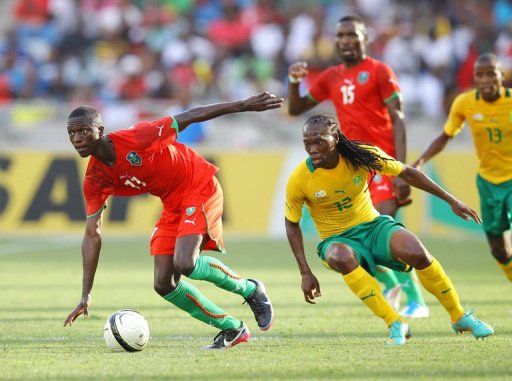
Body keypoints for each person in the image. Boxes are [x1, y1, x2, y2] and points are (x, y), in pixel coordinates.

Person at [63, 92, 283, 350]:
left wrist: (244, 105)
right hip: (172, 203)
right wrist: (86, 294)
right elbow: (92, 234)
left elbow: (189, 116)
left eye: (83, 131)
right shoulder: (95, 179)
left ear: (100, 130)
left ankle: (250, 289)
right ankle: (232, 328)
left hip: (198, 184)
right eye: (71, 133)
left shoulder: (137, 136)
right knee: (164, 283)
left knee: (185, 262)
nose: (77, 139)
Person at [284, 113, 494, 346]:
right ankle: (395, 322)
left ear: (334, 137)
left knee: (417, 251)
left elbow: (407, 172)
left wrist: (451, 200)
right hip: (336, 238)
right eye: (307, 143)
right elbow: (292, 224)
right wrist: (305, 272)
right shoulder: (299, 179)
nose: (312, 149)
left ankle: (459, 316)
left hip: (373, 226)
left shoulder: (361, 155)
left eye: (318, 141)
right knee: (340, 256)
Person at [287, 14, 428, 318]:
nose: (346, 40)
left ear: (365, 39)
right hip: (351, 165)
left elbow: (399, 118)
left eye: (352, 34)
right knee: (360, 241)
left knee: (383, 226)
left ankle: (415, 298)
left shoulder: (379, 71)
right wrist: (294, 81)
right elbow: (295, 109)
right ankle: (393, 287)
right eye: (340, 36)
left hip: (379, 163)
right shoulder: (331, 76)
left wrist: (401, 168)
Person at [413, 53, 512, 283]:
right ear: (474, 78)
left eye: (491, 74)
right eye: (480, 75)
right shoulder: (465, 102)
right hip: (488, 182)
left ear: (501, 76)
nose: (486, 79)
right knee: (500, 251)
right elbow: (446, 136)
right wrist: (419, 161)